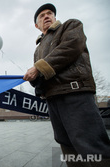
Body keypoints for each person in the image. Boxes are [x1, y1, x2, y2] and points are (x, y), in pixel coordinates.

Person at [23, 3, 110, 166]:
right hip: (53, 98)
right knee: (66, 144)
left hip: (75, 93)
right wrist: (33, 78)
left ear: (55, 17)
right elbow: (41, 74)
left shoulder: (71, 26)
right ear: (36, 25)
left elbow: (70, 47)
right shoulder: (38, 49)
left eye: (49, 13)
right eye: (42, 16)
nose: (46, 16)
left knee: (91, 144)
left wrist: (38, 67)